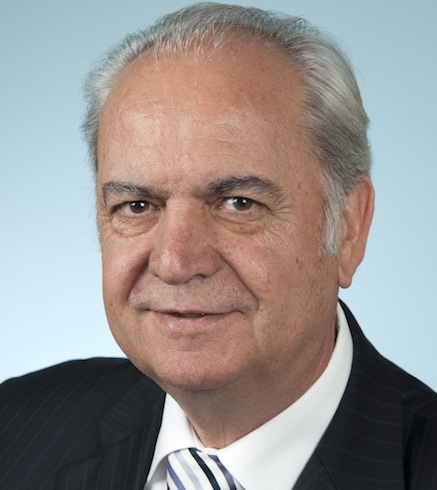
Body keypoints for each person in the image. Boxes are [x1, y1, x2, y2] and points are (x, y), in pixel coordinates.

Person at [1, 3, 436, 489]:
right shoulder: (15, 430)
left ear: (349, 227)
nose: (175, 263)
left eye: (239, 204)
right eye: (138, 206)